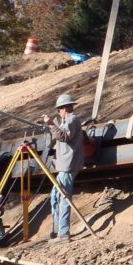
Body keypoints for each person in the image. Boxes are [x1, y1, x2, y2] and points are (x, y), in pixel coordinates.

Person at [42, 92, 84, 240]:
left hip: (68, 165)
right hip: (64, 166)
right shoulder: (66, 122)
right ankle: (58, 229)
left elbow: (64, 137)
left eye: (58, 110)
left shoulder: (72, 119)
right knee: (55, 196)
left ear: (64, 108)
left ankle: (63, 233)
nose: (58, 113)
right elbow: (58, 136)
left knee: (64, 198)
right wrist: (52, 127)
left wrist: (51, 124)